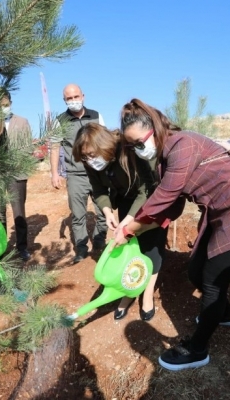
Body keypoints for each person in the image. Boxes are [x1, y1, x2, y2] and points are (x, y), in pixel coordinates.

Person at [112, 99, 230, 371]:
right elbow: (172, 206)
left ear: (155, 129)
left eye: (139, 142)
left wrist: (130, 228)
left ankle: (197, 349)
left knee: (213, 279)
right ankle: (225, 313)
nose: (138, 150)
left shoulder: (183, 144)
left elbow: (165, 195)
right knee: (196, 271)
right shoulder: (164, 159)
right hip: (222, 209)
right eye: (132, 146)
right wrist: (133, 227)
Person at [72, 122, 166, 321]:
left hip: (151, 198)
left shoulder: (127, 151)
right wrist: (108, 212)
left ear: (103, 145)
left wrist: (129, 221)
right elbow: (98, 190)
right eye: (85, 157)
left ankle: (147, 293)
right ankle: (130, 290)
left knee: (152, 245)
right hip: (125, 199)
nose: (90, 161)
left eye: (92, 155)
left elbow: (145, 189)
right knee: (130, 243)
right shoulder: (91, 162)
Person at [50, 83, 108, 263]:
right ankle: (81, 249)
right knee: (78, 215)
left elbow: (105, 141)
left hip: (98, 173)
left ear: (83, 96)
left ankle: (99, 242)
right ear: (64, 100)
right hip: (75, 175)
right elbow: (55, 147)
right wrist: (54, 173)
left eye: (76, 97)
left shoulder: (96, 116)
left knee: (103, 211)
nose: (73, 100)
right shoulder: (60, 121)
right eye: (69, 98)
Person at [0, 89, 33, 261]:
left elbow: (28, 148)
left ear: (10, 103)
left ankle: (22, 247)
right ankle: (0, 249)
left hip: (17, 173)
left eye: (6, 105)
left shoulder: (22, 122)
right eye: (0, 106)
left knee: (19, 212)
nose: (3, 108)